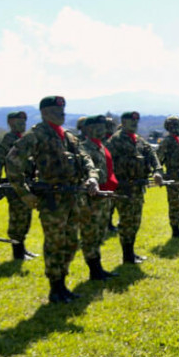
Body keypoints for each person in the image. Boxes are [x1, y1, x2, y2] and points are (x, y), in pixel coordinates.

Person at [5, 95, 99, 303]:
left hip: (72, 198)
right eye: (56, 112)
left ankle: (63, 283)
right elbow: (12, 161)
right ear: (45, 113)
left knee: (71, 241)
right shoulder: (36, 135)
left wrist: (92, 177)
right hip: (52, 200)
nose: (61, 115)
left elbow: (85, 158)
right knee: (56, 242)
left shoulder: (68, 137)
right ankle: (55, 287)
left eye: (63, 112)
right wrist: (24, 193)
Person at [107, 111, 163, 264]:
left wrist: (157, 171)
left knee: (135, 221)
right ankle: (127, 256)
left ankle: (131, 252)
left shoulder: (139, 140)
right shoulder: (115, 141)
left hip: (138, 187)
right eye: (131, 122)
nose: (134, 125)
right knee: (126, 221)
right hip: (123, 188)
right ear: (123, 122)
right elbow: (106, 163)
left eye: (136, 122)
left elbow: (152, 155)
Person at [0, 111, 38, 260]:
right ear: (10, 123)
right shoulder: (7, 140)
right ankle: (17, 252)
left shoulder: (23, 140)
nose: (22, 125)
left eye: (24, 122)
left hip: (27, 183)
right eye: (18, 122)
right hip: (14, 185)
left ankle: (23, 249)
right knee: (18, 219)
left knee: (25, 217)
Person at [77, 115, 118, 280]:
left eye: (103, 127)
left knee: (100, 233)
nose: (102, 130)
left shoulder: (101, 147)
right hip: (91, 199)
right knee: (90, 234)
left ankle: (99, 268)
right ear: (87, 129)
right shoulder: (83, 148)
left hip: (104, 197)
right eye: (97, 127)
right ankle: (94, 270)